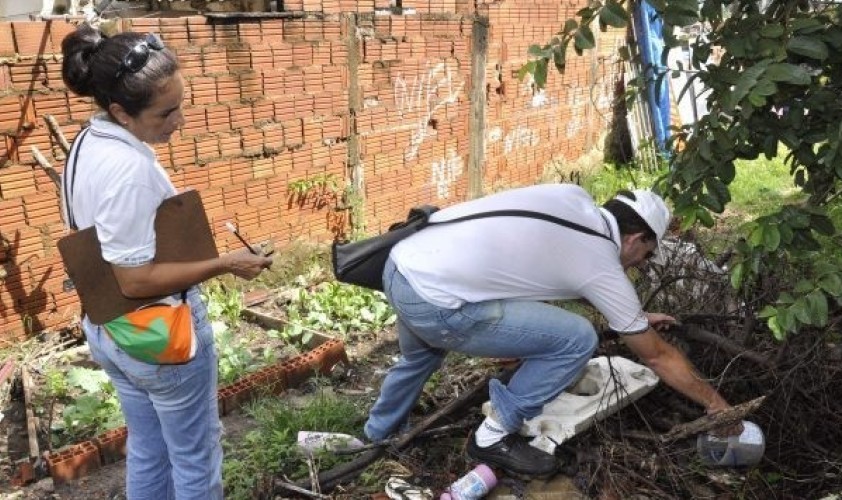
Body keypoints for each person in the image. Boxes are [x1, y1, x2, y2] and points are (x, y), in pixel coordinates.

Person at [364, 183, 739, 477]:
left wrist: (633, 315)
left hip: (401, 266)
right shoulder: (599, 259)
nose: (642, 263)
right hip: (436, 305)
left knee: (420, 356)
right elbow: (656, 355)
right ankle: (493, 437)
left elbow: (574, 271)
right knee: (578, 339)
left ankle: (378, 432)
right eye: (648, 252)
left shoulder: (573, 200)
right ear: (635, 238)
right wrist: (718, 407)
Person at [60, 24, 272, 499]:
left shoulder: (88, 143)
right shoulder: (129, 169)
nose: (179, 121)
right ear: (121, 110)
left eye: (182, 103)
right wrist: (225, 264)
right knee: (196, 457)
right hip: (157, 333)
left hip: (108, 327)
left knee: (149, 449)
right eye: (166, 113)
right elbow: (135, 279)